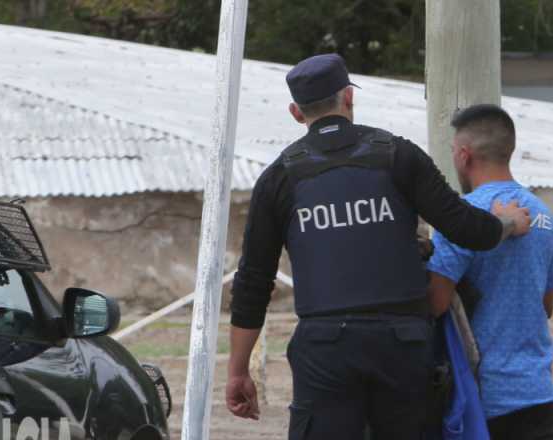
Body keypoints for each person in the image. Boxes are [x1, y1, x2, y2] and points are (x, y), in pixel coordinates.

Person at [224, 54, 532, 440]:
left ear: (295, 112)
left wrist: (238, 370)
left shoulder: (278, 179)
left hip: (325, 351)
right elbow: (467, 228)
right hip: (400, 347)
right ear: (348, 98)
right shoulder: (397, 155)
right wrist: (508, 222)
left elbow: (252, 283)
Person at [426, 104, 553, 440]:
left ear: (463, 155)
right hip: (539, 396)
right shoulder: (542, 214)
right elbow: (546, 306)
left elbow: (435, 302)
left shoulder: (462, 217)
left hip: (482, 401)